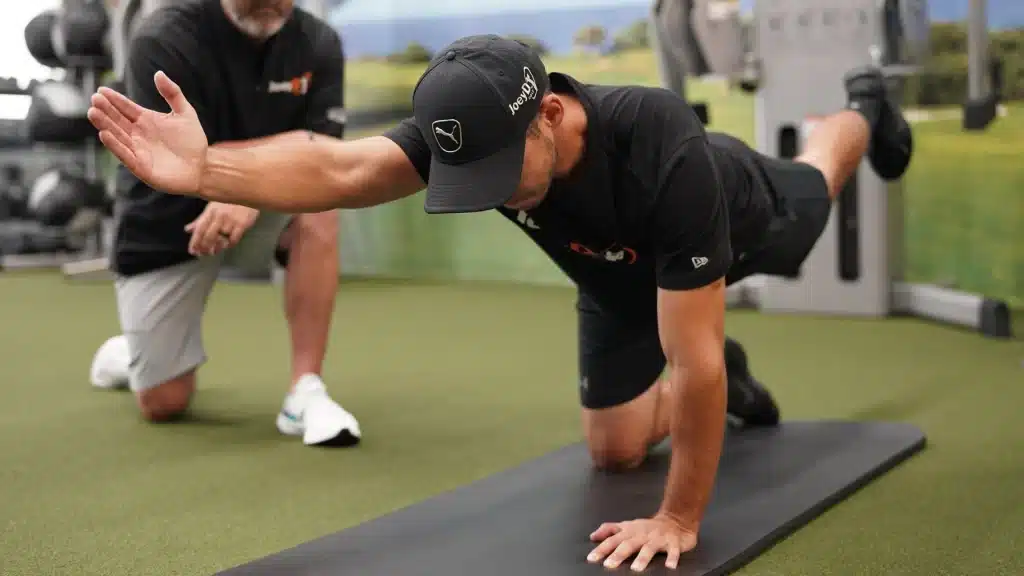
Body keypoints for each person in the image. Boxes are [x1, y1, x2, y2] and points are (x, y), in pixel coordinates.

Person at [87, 34, 914, 571]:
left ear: (551, 114)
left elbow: (688, 359)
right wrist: (207, 173)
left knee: (817, 177)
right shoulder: (469, 129)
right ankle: (736, 380)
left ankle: (862, 110)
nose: (484, 193)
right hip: (610, 277)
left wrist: (678, 518)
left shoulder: (660, 146)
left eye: (497, 173)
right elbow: (338, 169)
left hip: (725, 217)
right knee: (615, 451)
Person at [88, 0, 361, 448]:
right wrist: (268, 169)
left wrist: (248, 191)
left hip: (264, 206)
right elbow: (172, 159)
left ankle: (305, 391)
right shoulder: (164, 37)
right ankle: (132, 355)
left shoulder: (319, 42)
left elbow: (325, 155)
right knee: (165, 403)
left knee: (320, 202)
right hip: (167, 219)